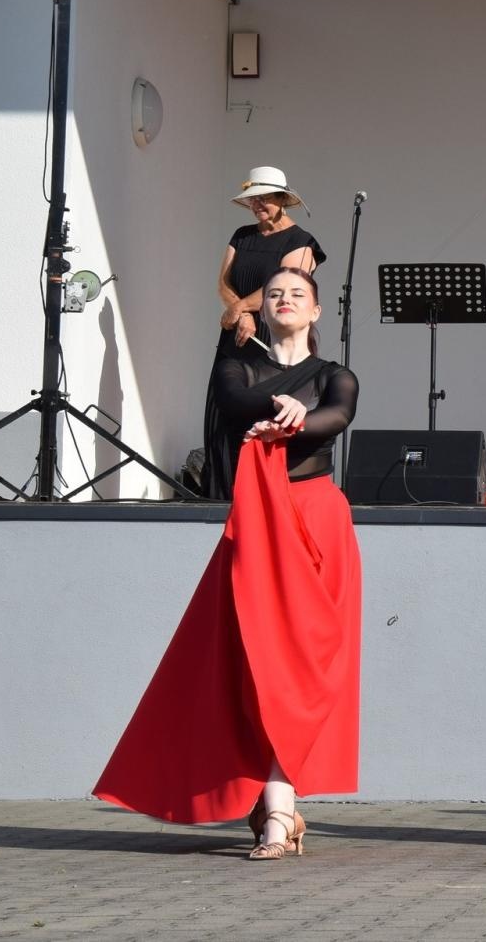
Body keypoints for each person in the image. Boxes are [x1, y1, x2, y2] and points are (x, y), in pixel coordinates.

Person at [96, 266, 361, 861]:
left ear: (316, 311)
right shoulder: (236, 365)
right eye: (274, 295)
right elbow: (237, 403)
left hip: (317, 520)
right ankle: (278, 809)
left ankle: (278, 810)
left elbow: (337, 416)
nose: (285, 301)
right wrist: (281, 404)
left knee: (305, 666)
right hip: (258, 522)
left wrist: (297, 415)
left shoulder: (336, 375)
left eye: (297, 294)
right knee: (254, 664)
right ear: (261, 309)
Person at [202, 166, 324, 500]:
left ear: (283, 200)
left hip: (275, 335)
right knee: (222, 411)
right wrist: (239, 312)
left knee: (264, 414)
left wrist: (244, 311)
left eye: (264, 200)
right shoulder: (241, 235)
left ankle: (265, 497)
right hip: (236, 335)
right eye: (253, 201)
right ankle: (222, 496)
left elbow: (283, 286)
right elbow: (223, 284)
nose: (258, 207)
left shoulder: (302, 242)